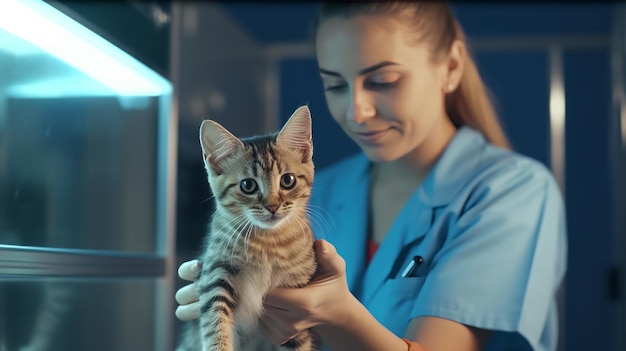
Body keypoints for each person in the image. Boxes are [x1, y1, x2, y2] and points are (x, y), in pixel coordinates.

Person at [174, 1, 567, 350]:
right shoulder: (325, 187)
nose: (356, 112)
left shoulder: (513, 193)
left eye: (383, 81)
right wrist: (240, 314)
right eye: (335, 85)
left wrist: (337, 316)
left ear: (450, 67)